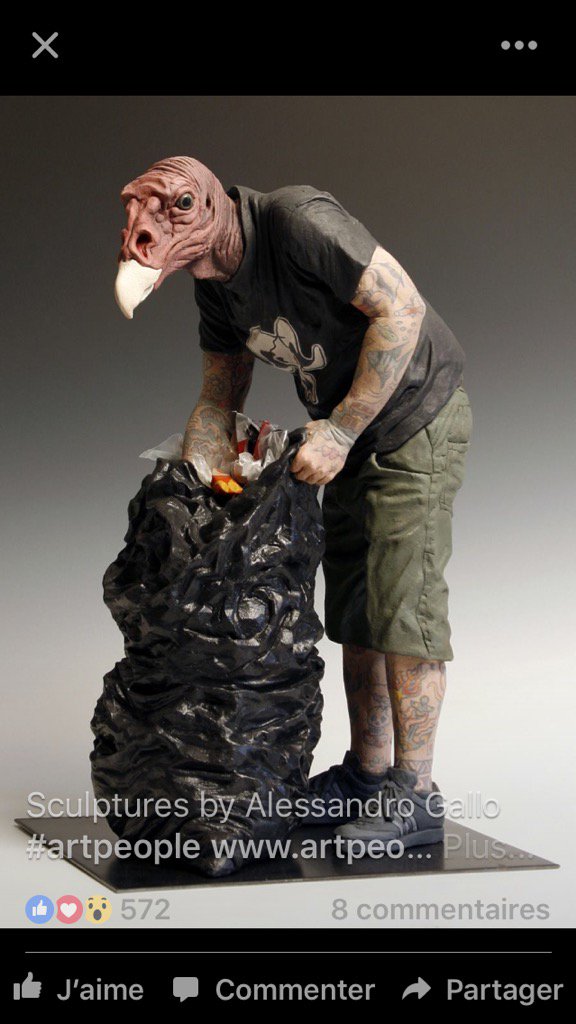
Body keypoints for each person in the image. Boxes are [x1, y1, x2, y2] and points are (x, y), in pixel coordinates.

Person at [115, 156, 472, 849]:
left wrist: (341, 431)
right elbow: (219, 397)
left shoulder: (296, 220)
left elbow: (402, 308)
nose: (154, 231)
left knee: (403, 604)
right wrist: (199, 484)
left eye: (176, 209)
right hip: (344, 432)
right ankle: (368, 775)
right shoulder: (216, 286)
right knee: (357, 606)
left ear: (210, 205)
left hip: (412, 417)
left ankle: (416, 793)